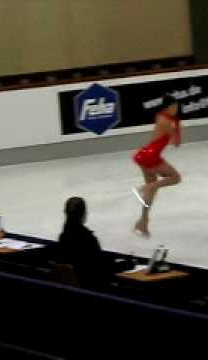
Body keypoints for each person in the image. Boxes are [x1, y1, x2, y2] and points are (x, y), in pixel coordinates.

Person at [132, 95, 182, 237]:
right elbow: (176, 142)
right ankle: (151, 187)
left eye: (177, 107)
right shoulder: (167, 121)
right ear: (168, 108)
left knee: (151, 192)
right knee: (176, 177)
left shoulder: (161, 117)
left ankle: (143, 221)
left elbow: (171, 140)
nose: (176, 110)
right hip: (151, 157)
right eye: (174, 107)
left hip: (145, 155)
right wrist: (177, 127)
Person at [57, 197, 132, 288]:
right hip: (91, 289)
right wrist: (126, 265)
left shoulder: (63, 238)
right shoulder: (87, 240)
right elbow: (100, 269)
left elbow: (92, 261)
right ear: (83, 214)